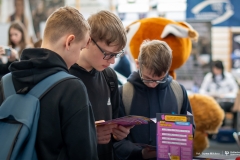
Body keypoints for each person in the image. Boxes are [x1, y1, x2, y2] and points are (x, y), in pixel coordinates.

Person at [0, 6, 98, 159]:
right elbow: (84, 154)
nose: (79, 56)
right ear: (69, 41)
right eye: (80, 48)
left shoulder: (6, 82)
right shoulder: (72, 88)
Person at [113, 40, 194, 160]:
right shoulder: (124, 93)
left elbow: (191, 128)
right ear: (137, 64)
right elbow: (116, 140)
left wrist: (183, 137)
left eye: (160, 79)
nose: (153, 84)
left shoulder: (178, 91)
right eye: (148, 79)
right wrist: (140, 153)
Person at [69, 10, 131, 160]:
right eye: (108, 53)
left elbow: (115, 122)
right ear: (88, 40)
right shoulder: (64, 78)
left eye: (116, 55)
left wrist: (118, 134)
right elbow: (50, 137)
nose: (112, 61)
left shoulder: (109, 77)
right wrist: (88, 134)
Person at [199, 60, 239, 128]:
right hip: (212, 100)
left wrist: (226, 94)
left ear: (221, 69)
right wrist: (209, 94)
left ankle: (222, 127)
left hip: (226, 101)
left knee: (222, 106)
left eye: (218, 69)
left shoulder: (228, 77)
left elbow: (235, 90)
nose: (216, 71)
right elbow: (202, 90)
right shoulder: (209, 77)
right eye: (215, 69)